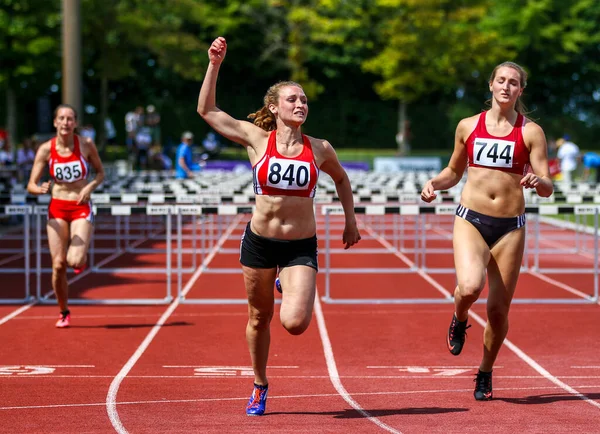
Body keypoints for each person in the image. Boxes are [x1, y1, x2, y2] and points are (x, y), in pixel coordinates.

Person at [197, 36, 361, 416]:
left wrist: (350, 220)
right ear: (274, 107)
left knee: (295, 323)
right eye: (293, 99)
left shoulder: (320, 148)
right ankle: (259, 383)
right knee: (259, 317)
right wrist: (214, 64)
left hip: (299, 246)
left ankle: (285, 279)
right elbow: (206, 109)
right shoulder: (256, 139)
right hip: (260, 244)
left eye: (304, 100)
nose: (301, 104)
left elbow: (341, 179)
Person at [420, 61, 553, 401]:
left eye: (514, 83)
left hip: (510, 228)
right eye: (501, 80)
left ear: (520, 91)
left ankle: (485, 371)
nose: (506, 87)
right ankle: (459, 315)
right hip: (471, 219)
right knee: (469, 286)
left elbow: (547, 186)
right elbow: (453, 170)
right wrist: (434, 183)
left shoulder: (530, 132)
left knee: (497, 311)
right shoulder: (468, 126)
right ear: (491, 85)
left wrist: (539, 181)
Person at [27, 104, 105, 328]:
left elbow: (100, 173)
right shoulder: (45, 149)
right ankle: (64, 311)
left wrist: (89, 187)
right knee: (59, 265)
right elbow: (30, 184)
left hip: (80, 206)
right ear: (55, 123)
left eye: (70, 119)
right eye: (61, 118)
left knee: (74, 260)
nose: (65, 122)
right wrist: (39, 188)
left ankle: (80, 256)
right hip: (57, 207)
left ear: (75, 123)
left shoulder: (86, 145)